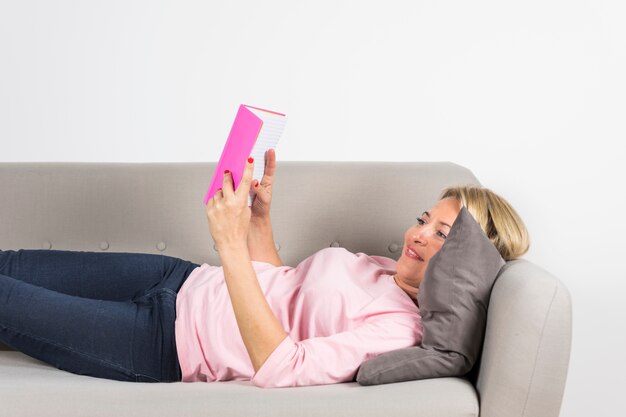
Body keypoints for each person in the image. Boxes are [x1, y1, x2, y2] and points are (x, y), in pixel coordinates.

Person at [0, 150, 529, 388]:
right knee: (12, 266)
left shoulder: (398, 330)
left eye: (442, 234)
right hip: (176, 278)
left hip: (165, 341)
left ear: (469, 257)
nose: (417, 234)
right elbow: (280, 287)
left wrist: (227, 243)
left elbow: (282, 365)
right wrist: (258, 221)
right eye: (423, 219)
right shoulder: (382, 268)